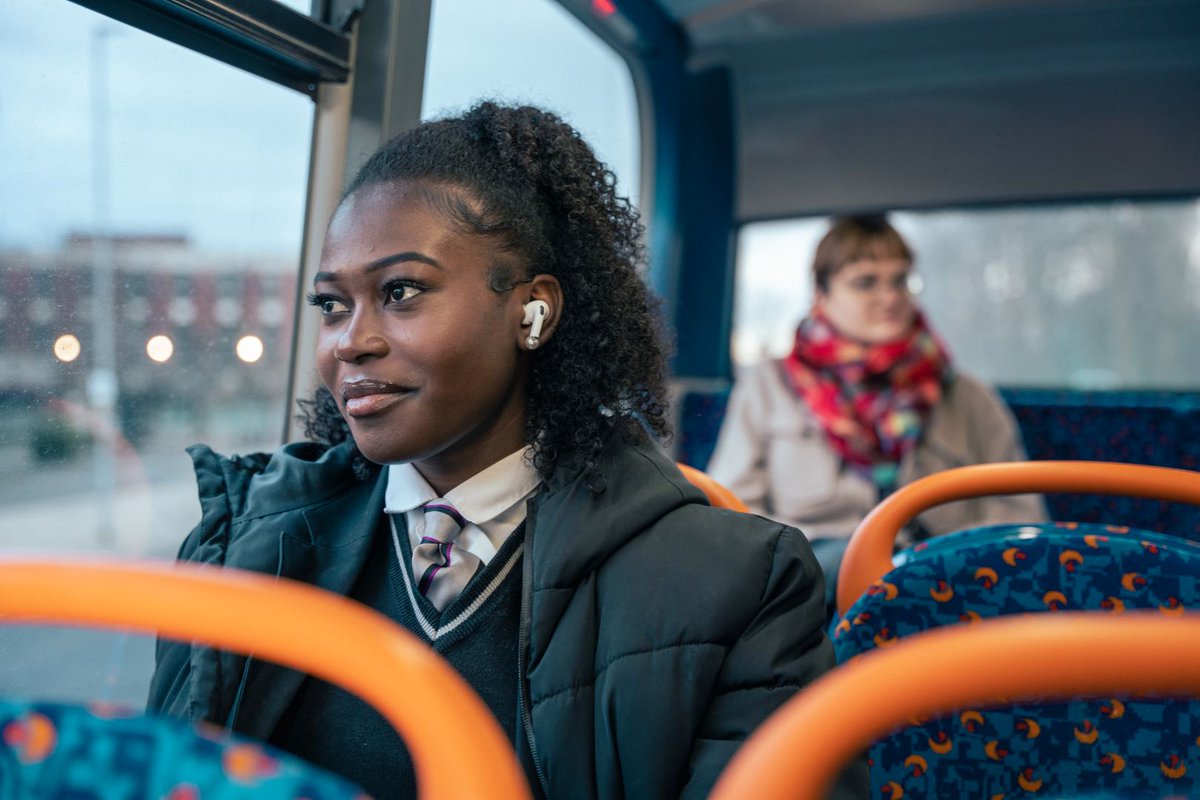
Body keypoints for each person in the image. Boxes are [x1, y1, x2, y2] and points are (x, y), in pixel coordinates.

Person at [147, 102, 865, 800]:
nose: (349, 342)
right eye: (333, 304)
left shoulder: (743, 585)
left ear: (534, 310)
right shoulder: (235, 547)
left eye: (400, 291)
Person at [708, 215, 1045, 614]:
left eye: (900, 281)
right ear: (821, 293)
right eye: (866, 282)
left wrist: (961, 567)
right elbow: (733, 512)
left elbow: (1016, 514)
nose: (890, 296)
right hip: (812, 584)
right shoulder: (769, 385)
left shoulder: (965, 395)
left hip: (946, 581)